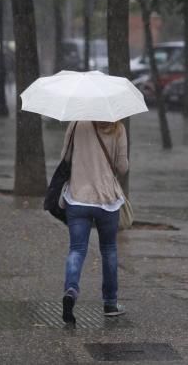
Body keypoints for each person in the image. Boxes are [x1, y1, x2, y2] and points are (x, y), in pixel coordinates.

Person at [59, 119, 129, 324]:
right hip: (107, 201)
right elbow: (122, 167)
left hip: (78, 197)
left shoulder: (76, 124)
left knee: (77, 249)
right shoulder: (118, 128)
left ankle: (71, 290)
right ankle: (110, 303)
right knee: (109, 250)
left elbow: (65, 157)